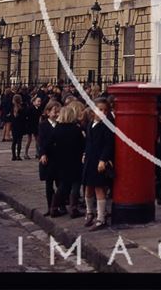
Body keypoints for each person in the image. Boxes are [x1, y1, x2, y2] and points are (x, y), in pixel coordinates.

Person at [82, 98, 115, 230]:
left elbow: (108, 145)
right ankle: (90, 212)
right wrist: (84, 154)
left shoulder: (106, 126)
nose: (103, 112)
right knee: (88, 187)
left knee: (99, 189)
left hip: (99, 161)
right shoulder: (90, 124)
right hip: (90, 159)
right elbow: (88, 142)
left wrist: (103, 160)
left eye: (105, 111)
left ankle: (101, 218)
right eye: (100, 109)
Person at [49, 105, 86, 218]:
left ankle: (53, 208)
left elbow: (50, 144)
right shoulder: (76, 129)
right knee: (75, 184)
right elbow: (82, 145)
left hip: (61, 161)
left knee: (63, 185)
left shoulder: (57, 129)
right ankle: (73, 209)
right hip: (75, 160)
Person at [38, 100, 62, 216]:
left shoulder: (61, 124)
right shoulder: (43, 125)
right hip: (48, 158)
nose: (57, 114)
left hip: (59, 158)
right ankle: (50, 207)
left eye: (59, 112)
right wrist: (42, 154)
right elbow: (41, 142)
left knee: (60, 184)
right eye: (54, 112)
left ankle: (59, 206)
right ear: (48, 112)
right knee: (49, 185)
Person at [10, 94, 27, 161]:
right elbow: (24, 117)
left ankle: (13, 156)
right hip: (20, 126)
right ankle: (18, 156)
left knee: (14, 141)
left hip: (14, 126)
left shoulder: (12, 108)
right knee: (19, 141)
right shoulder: (22, 108)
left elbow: (11, 118)